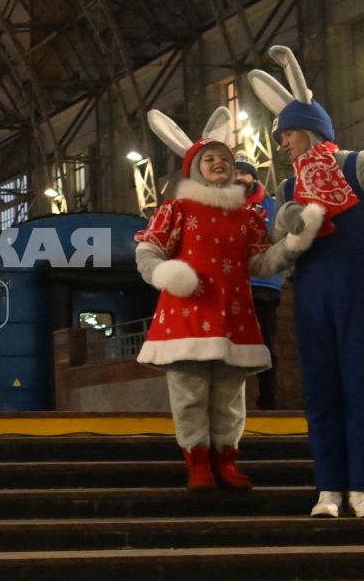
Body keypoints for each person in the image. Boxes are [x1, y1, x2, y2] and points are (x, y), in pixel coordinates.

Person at [249, 45, 364, 518]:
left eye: (287, 133)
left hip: (359, 287)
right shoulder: (288, 188)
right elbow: (270, 253)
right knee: (321, 389)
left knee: (361, 385)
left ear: (310, 130)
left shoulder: (358, 164)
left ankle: (361, 487)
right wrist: (285, 233)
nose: (282, 143)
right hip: (311, 294)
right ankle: (328, 487)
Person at [135, 107, 319, 490]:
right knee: (189, 392)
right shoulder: (177, 209)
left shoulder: (248, 217)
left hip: (232, 316)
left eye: (224, 158)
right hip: (186, 315)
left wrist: (292, 246)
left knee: (230, 396)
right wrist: (166, 273)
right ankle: (198, 462)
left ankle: (226, 459)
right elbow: (148, 251)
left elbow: (260, 262)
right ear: (194, 167)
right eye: (210, 158)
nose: (219, 163)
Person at [234, 158, 284, 409]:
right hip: (232, 285)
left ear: (254, 178)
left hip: (265, 285)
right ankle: (233, 403)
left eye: (243, 173)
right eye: (235, 173)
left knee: (266, 345)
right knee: (232, 347)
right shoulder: (225, 206)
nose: (238, 178)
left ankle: (269, 401)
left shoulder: (272, 207)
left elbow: (283, 239)